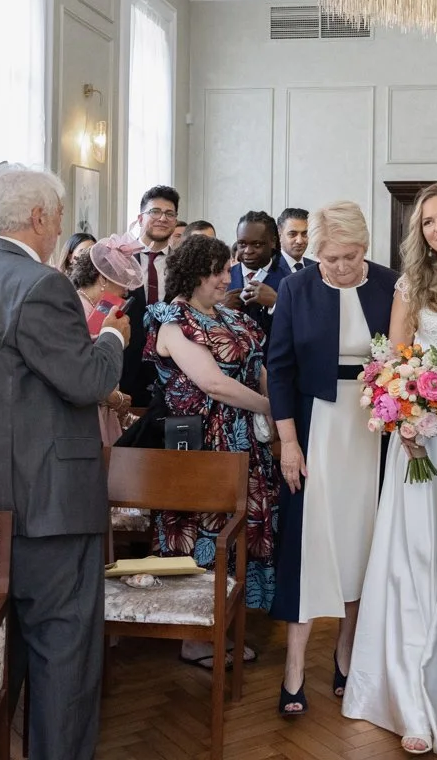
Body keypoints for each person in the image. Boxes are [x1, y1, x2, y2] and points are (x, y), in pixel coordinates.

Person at [0, 166, 128, 760]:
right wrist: (112, 338)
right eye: (59, 216)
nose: (60, 227)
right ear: (39, 218)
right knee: (63, 656)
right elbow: (85, 380)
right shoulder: (40, 285)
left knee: (0, 658)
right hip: (47, 506)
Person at [342, 182, 437, 755]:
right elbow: (392, 361)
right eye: (427, 221)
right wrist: (404, 421)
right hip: (425, 435)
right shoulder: (412, 284)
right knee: (416, 551)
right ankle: (408, 692)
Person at [266, 201, 397, 718]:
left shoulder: (390, 285)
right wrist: (289, 442)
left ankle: (347, 654)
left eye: (350, 256)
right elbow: (279, 369)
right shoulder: (297, 288)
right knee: (310, 542)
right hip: (315, 426)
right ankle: (294, 666)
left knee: (362, 539)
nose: (340, 267)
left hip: (373, 429)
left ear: (365, 248)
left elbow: (403, 359)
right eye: (329, 258)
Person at [145, 234, 279, 665]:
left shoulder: (231, 316)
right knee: (202, 534)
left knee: (237, 536)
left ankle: (225, 626)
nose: (227, 278)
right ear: (195, 273)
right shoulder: (173, 321)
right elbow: (213, 383)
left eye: (226, 270)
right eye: (219, 271)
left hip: (245, 443)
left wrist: (273, 403)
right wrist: (270, 408)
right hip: (201, 446)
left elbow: (259, 365)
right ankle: (193, 636)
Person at [70, 235, 147, 444]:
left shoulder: (98, 309)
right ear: (102, 279)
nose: (126, 290)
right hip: (87, 411)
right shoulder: (78, 309)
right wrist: (115, 398)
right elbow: (80, 371)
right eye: (121, 280)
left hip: (103, 408)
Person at [120, 185, 181, 412]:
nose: (162, 218)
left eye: (169, 214)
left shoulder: (181, 263)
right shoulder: (121, 258)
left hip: (170, 364)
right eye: (155, 212)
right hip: (125, 361)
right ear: (140, 218)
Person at [225, 209, 286, 335]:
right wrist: (218, 309)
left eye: (257, 245)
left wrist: (277, 303)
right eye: (242, 244)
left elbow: (302, 325)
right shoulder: (221, 278)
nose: (248, 251)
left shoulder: (290, 280)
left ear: (273, 242)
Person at [277, 207, 313, 273]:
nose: (300, 241)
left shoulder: (317, 268)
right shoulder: (268, 269)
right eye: (292, 234)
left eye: (304, 234)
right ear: (279, 236)